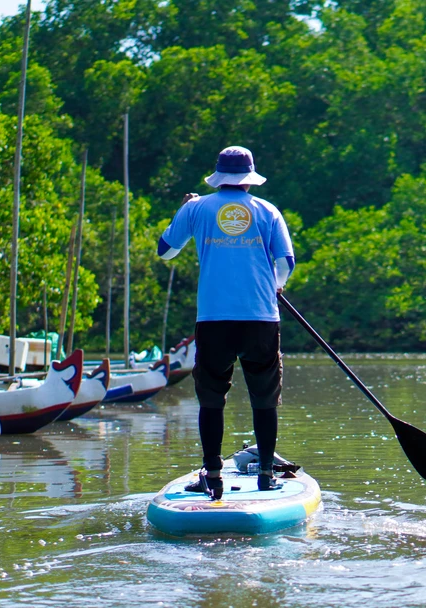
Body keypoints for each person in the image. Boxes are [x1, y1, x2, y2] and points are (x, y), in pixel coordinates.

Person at [157, 146, 295, 499]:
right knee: (264, 397)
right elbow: (286, 262)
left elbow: (166, 250)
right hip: (260, 317)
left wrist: (183, 209)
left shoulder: (196, 207)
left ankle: (214, 474)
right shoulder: (268, 211)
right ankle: (266, 473)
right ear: (249, 179)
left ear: (218, 176)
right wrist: (275, 286)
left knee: (211, 398)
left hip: (214, 318)